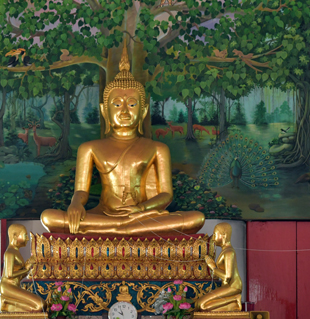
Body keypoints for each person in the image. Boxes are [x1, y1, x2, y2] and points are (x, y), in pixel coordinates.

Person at [39, 42, 204, 236]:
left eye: (132, 104)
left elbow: (166, 194)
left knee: (196, 218)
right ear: (104, 111)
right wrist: (75, 204)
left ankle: (121, 229)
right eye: (117, 104)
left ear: (143, 111)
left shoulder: (157, 148)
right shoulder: (89, 148)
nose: (125, 111)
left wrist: (140, 210)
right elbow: (81, 191)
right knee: (48, 217)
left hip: (142, 216)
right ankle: (122, 229)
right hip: (103, 214)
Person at [194, 223, 243, 311]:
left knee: (202, 306)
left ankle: (235, 300)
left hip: (233, 286)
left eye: (215, 234)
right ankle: (233, 302)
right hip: (226, 286)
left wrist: (213, 267)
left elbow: (227, 277)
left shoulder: (229, 252)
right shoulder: (225, 251)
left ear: (223, 235)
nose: (213, 238)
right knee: (198, 304)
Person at [0, 223, 44, 312]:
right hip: (7, 287)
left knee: (41, 306)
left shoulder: (16, 252)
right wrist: (26, 269)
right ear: (15, 236)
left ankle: (8, 303)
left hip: (14, 285)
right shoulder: (10, 253)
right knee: (40, 306)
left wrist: (28, 265)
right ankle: (6, 304)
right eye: (25, 235)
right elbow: (9, 275)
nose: (27, 238)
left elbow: (18, 277)